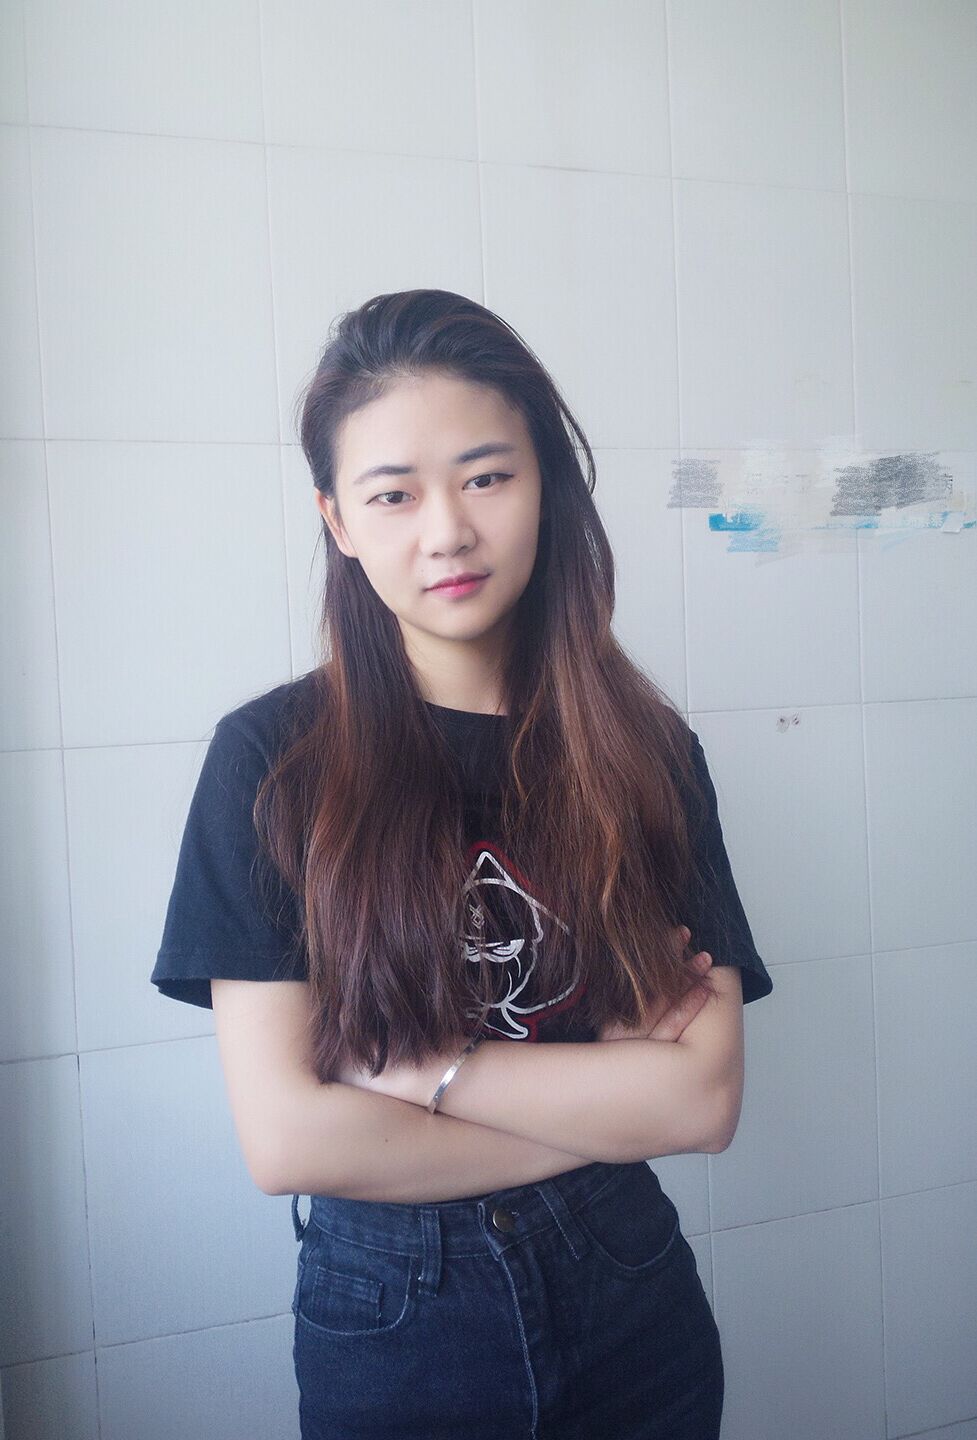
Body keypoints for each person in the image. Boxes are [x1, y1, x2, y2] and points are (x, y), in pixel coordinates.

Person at [151, 288, 773, 1439]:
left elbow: (702, 1100)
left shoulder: (642, 752)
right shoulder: (273, 762)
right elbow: (288, 1140)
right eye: (393, 494)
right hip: (398, 1315)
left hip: (630, 1292)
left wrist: (419, 1072)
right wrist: (607, 1100)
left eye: (486, 477)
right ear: (338, 520)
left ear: (546, 486)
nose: (445, 531)